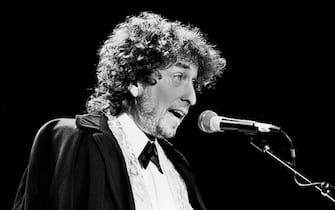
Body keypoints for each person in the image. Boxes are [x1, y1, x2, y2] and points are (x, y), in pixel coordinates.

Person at [12, 11, 226, 210]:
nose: (192, 97)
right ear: (136, 81)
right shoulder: (74, 139)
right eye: (179, 77)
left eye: (194, 83)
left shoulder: (178, 168)